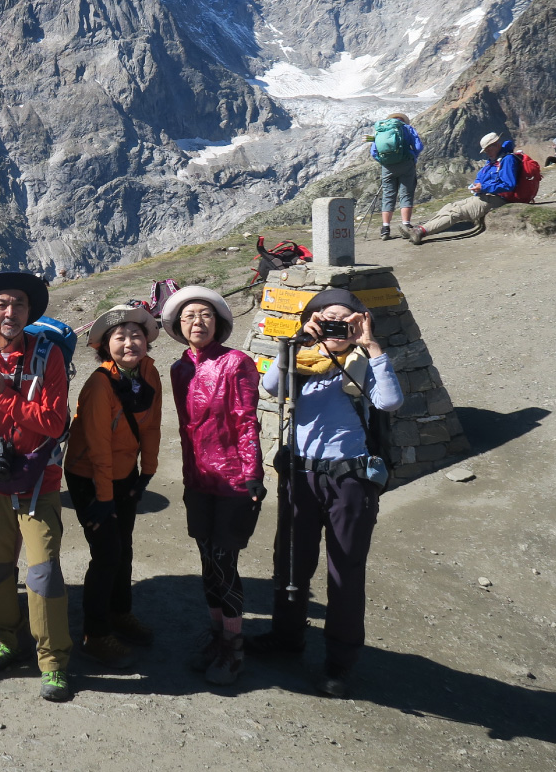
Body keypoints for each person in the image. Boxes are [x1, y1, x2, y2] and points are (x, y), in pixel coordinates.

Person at [249, 288, 403, 697]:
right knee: (291, 562)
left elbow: (388, 402)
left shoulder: (365, 364)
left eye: (345, 319)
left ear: (359, 322)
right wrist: (299, 341)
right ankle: (286, 639)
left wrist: (370, 344)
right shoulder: (302, 361)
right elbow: (271, 386)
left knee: (345, 570)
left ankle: (339, 661)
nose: (335, 325)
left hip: (350, 481)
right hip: (300, 475)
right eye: (327, 317)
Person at [0, 272, 73, 703]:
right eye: (2, 304)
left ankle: (53, 662)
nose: (10, 312)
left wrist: (4, 395)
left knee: (43, 574)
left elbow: (54, 423)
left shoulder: (49, 356)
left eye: (18, 304)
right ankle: (9, 639)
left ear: (29, 311)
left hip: (39, 480)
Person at [161, 285, 264, 685]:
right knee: (207, 562)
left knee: (225, 564)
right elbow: (188, 430)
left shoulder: (236, 363)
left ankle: (233, 647)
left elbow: (245, 420)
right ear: (178, 326)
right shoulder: (179, 369)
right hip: (198, 479)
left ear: (218, 322)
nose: (196, 322)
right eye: (188, 317)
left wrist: (253, 473)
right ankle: (218, 633)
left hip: (233, 480)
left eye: (204, 315)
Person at [66, 304, 162, 667]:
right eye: (119, 337)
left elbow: (151, 427)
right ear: (105, 347)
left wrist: (147, 474)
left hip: (124, 474)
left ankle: (121, 613)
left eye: (136, 335)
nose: (129, 343)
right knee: (107, 554)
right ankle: (96, 633)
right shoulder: (98, 386)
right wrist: (104, 499)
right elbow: (97, 446)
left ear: (147, 341)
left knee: (124, 549)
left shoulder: (150, 374)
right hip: (89, 477)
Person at [407, 131, 520, 244]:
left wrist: (483, 187)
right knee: (449, 206)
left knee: (456, 212)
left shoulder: (507, 160)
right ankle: (420, 228)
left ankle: (421, 232)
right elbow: (482, 177)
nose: (486, 152)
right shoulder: (493, 160)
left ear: (496, 144)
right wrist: (478, 185)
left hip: (497, 199)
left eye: (488, 149)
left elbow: (508, 184)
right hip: (484, 195)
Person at [370, 112, 423, 240]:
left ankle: (385, 228)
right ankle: (406, 225)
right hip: (406, 164)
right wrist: (412, 157)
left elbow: (373, 152)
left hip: (387, 166)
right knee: (406, 194)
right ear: (403, 120)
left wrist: (384, 161)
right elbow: (418, 146)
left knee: (388, 195)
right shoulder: (407, 128)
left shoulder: (380, 130)